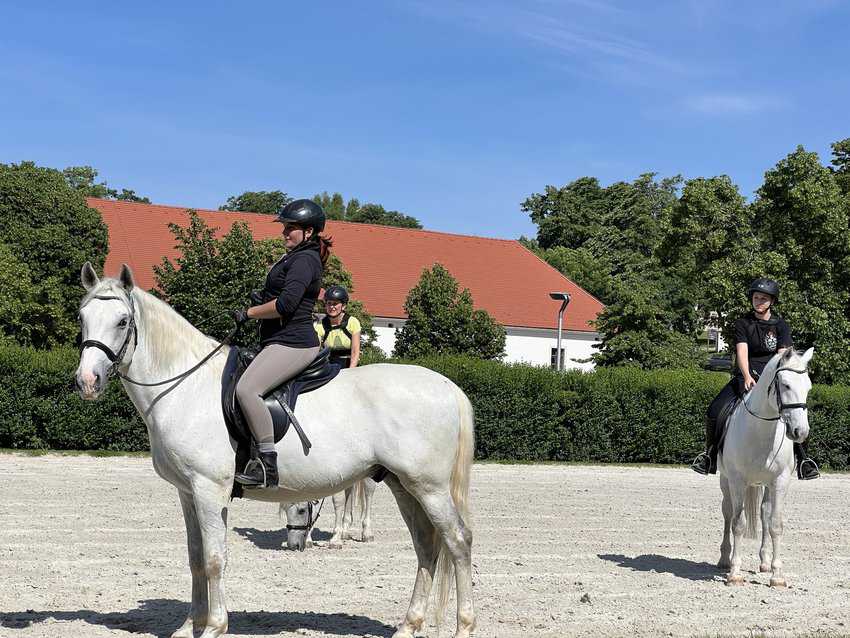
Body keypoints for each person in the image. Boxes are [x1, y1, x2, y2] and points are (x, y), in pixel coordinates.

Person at [230, 199, 332, 489]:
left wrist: (248, 313)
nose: (284, 232)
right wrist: (261, 299)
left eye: (291, 228)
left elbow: (286, 305)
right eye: (285, 227)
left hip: (294, 343)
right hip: (278, 340)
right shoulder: (294, 256)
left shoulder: (304, 260)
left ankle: (266, 464)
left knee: (247, 390)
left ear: (309, 232)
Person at [692, 278, 820, 480]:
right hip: (747, 375)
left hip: (773, 380)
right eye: (756, 297)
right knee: (715, 410)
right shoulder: (744, 323)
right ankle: (709, 456)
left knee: (796, 412)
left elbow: (783, 357)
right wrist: (746, 375)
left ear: (772, 301)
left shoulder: (781, 325)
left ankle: (804, 460)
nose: (759, 301)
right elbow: (742, 351)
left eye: (764, 298)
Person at [315, 285, 362, 369]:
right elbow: (316, 350)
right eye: (329, 303)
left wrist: (350, 371)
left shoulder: (353, 322)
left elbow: (355, 351)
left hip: (350, 365)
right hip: (329, 365)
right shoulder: (320, 325)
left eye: (335, 304)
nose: (331, 307)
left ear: (343, 306)